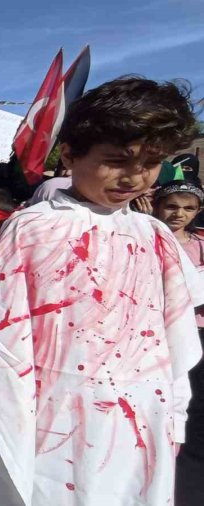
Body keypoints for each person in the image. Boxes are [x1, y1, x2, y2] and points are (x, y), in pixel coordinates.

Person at [0, 77, 202, 506]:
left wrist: (173, 414)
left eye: (151, 162)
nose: (135, 176)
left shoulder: (154, 235)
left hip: (139, 412)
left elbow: (174, 338)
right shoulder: (34, 227)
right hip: (54, 412)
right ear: (71, 153)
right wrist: (9, 412)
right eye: (117, 160)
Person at [152, 180, 204, 463]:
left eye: (188, 208)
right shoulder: (147, 239)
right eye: (171, 206)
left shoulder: (200, 244)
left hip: (196, 329)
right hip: (157, 329)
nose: (179, 214)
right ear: (158, 207)